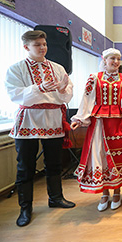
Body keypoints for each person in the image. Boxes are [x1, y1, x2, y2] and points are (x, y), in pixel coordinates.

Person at [5, 30, 75, 227]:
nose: (43, 48)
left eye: (44, 44)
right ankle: (25, 207)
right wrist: (40, 88)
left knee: (54, 163)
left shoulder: (58, 67)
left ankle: (56, 198)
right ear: (26, 47)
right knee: (25, 166)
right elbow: (14, 94)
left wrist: (63, 90)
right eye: (37, 45)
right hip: (29, 120)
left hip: (52, 119)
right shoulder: (16, 69)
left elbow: (67, 94)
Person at [70, 48, 122, 211]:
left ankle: (117, 192)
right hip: (99, 123)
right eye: (112, 58)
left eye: (118, 59)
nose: (115, 62)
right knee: (100, 155)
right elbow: (86, 99)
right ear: (104, 60)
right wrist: (79, 119)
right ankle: (104, 193)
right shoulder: (94, 78)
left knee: (118, 156)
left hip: (118, 122)